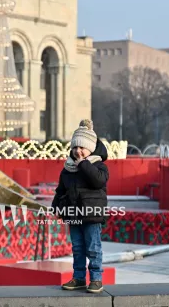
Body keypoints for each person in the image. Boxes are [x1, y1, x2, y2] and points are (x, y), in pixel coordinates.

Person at [51, 125, 109, 294]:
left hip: (92, 215)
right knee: (77, 248)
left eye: (82, 147)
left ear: (90, 148)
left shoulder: (99, 166)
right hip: (73, 214)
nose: (78, 151)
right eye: (75, 147)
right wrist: (56, 207)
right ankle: (79, 278)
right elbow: (61, 190)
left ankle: (96, 279)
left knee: (93, 247)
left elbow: (98, 181)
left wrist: (83, 164)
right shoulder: (68, 168)